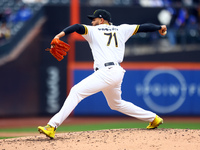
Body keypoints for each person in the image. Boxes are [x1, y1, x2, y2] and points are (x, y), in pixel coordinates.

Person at [38, 9, 167, 139]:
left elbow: (77, 27)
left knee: (76, 91)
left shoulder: (93, 31)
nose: (92, 22)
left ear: (101, 20)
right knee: (116, 104)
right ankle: (153, 118)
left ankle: (52, 126)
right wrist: (159, 27)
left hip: (106, 72)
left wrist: (59, 35)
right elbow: (143, 28)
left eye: (94, 19)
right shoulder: (122, 29)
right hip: (117, 71)